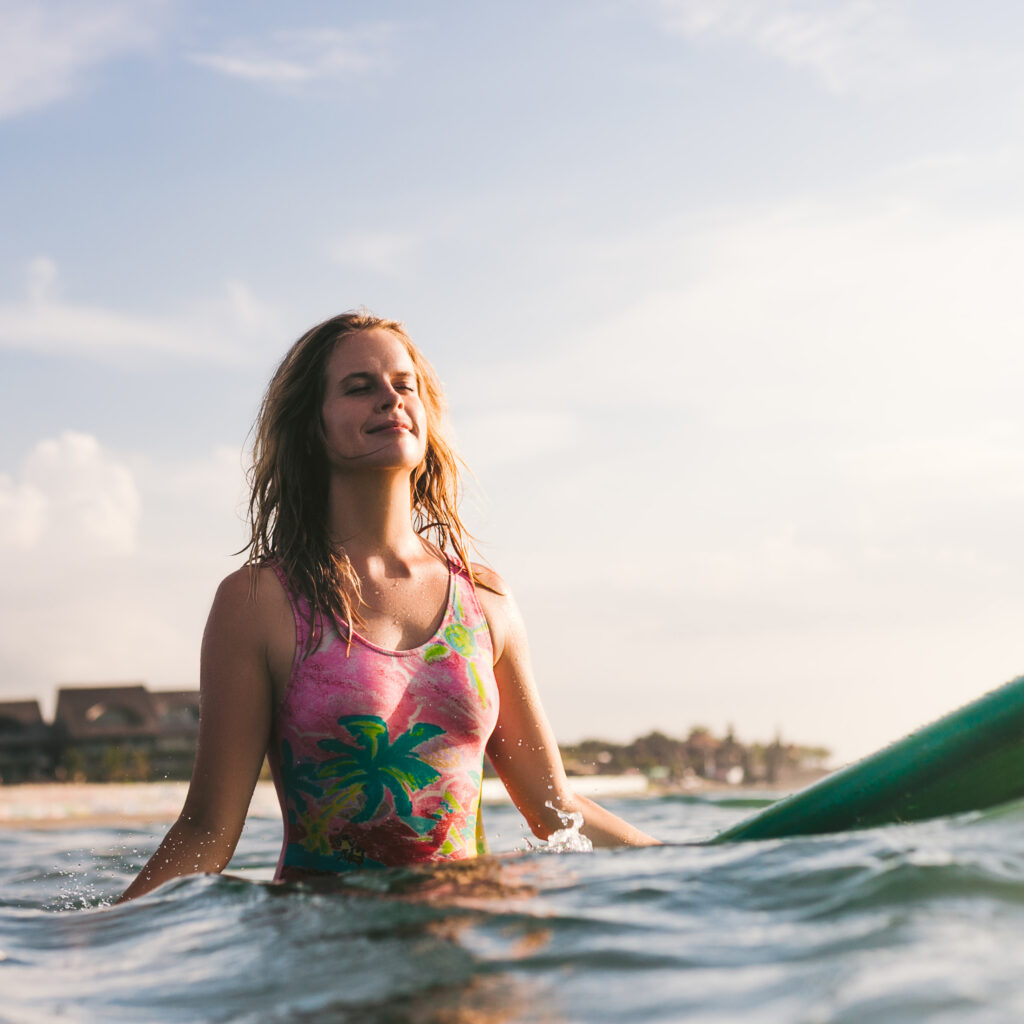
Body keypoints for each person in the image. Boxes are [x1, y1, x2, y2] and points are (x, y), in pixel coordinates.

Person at [119, 311, 658, 901]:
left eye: (405, 385)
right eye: (359, 387)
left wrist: (704, 869)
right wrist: (94, 941)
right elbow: (208, 832)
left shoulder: (484, 603)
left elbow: (559, 813)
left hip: (466, 952)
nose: (389, 399)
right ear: (312, 427)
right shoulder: (260, 603)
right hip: (327, 954)